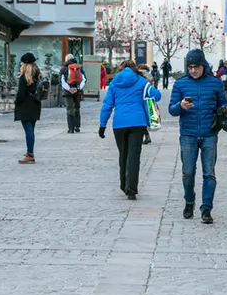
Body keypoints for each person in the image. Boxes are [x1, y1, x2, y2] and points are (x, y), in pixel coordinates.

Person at [169, 49, 227, 225]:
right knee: (188, 173)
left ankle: (206, 209)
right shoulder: (180, 84)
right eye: (190, 67)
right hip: (188, 135)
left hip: (209, 134)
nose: (193, 70)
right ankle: (189, 201)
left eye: (196, 67)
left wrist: (225, 110)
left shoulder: (215, 83)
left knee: (209, 173)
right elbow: (172, 110)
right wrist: (180, 106)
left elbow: (224, 103)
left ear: (204, 66)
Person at [99, 60, 162, 200]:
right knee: (134, 156)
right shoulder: (141, 81)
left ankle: (123, 185)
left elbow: (107, 105)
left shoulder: (115, 83)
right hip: (138, 124)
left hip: (119, 124)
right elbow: (157, 95)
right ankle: (131, 189)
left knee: (123, 154)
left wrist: (102, 125)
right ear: (135, 69)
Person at [16, 53, 42, 164]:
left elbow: (21, 95)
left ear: (25, 65)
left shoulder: (24, 78)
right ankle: (29, 151)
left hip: (26, 105)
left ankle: (30, 154)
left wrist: (16, 103)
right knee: (31, 129)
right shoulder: (38, 75)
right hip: (36, 104)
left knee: (28, 130)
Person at [61, 54, 86, 134]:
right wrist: (78, 88)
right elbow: (84, 79)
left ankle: (71, 128)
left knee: (69, 109)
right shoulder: (79, 68)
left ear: (66, 60)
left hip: (67, 92)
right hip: (77, 92)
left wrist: (69, 89)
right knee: (77, 108)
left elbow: (61, 81)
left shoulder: (63, 68)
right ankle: (77, 126)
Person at [137, 64, 156, 145]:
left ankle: (146, 136)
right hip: (149, 99)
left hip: (141, 99)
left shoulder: (140, 75)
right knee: (148, 117)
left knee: (141, 119)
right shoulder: (149, 75)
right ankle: (147, 135)